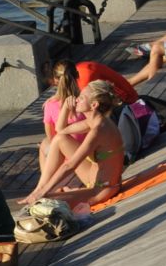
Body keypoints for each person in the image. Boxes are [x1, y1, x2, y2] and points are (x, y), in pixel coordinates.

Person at [18, 80, 126, 208]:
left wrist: (43, 193)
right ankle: (39, 188)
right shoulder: (94, 121)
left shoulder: (98, 130)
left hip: (102, 189)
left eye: (81, 98)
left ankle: (41, 191)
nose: (76, 100)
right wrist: (65, 108)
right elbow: (61, 130)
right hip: (92, 177)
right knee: (60, 139)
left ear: (94, 105)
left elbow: (70, 165)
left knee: (42, 203)